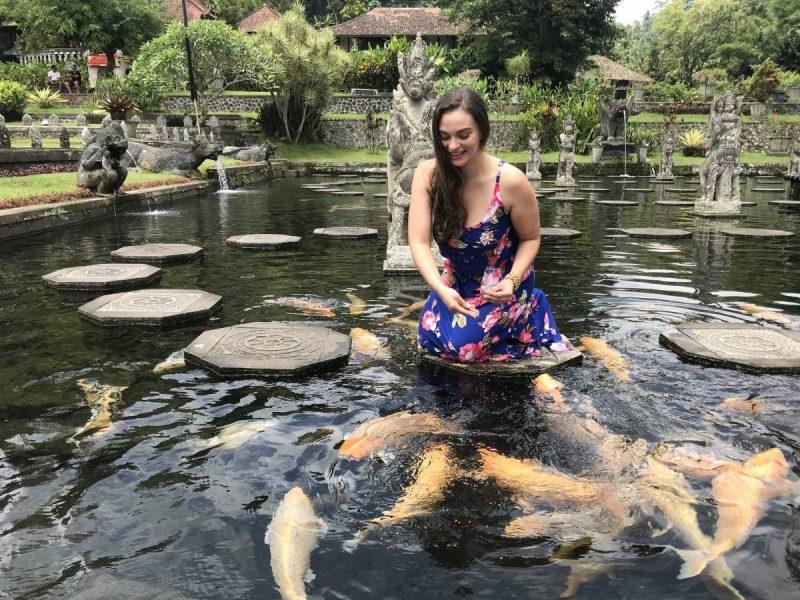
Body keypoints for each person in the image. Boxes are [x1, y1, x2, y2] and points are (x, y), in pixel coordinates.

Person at [409, 87, 572, 363]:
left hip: (501, 288)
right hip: (455, 285)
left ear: (482, 131)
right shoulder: (428, 175)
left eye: (464, 135)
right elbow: (418, 241)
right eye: (444, 137)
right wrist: (440, 288)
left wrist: (512, 281)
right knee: (428, 337)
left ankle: (530, 304)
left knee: (464, 350)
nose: (452, 146)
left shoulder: (510, 182)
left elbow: (531, 239)